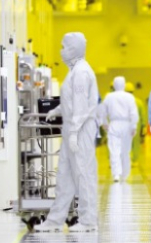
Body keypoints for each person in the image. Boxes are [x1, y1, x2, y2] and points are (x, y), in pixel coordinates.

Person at [34, 33, 99, 233]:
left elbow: (81, 107)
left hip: (80, 131)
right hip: (72, 129)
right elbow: (71, 102)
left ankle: (88, 221)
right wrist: (57, 111)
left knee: (83, 175)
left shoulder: (81, 72)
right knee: (65, 177)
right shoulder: (74, 71)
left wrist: (73, 133)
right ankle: (55, 220)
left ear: (73, 48)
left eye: (64, 46)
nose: (61, 50)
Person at [100, 77, 139, 182]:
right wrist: (134, 126)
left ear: (114, 85)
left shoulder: (109, 96)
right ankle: (125, 174)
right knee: (125, 151)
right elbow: (133, 113)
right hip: (126, 124)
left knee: (114, 150)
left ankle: (116, 174)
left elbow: (103, 112)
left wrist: (104, 123)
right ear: (124, 85)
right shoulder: (130, 97)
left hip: (114, 124)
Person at [125, 82, 147, 165]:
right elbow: (142, 115)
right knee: (135, 143)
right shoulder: (139, 102)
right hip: (135, 126)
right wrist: (143, 126)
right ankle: (134, 160)